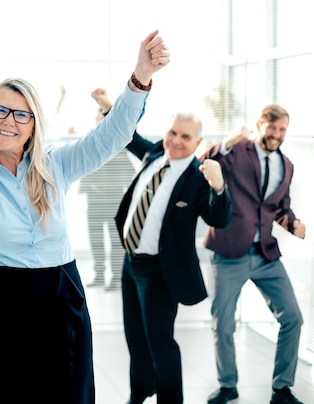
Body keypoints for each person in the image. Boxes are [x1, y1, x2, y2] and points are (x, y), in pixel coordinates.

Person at [0, 17, 170, 404]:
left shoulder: (57, 166)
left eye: (21, 114)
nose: (9, 121)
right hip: (1, 301)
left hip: (60, 295)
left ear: (33, 125)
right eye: (1, 111)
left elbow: (113, 135)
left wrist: (141, 77)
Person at [115, 114, 232, 404]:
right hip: (131, 263)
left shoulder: (197, 177)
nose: (177, 141)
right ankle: (139, 392)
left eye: (186, 137)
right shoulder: (156, 152)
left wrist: (219, 187)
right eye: (173, 132)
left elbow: (219, 217)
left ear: (198, 142)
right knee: (136, 339)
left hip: (159, 272)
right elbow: (131, 138)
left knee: (160, 344)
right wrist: (107, 107)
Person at [201, 105, 306, 404]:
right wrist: (228, 141)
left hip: (265, 254)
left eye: (282, 130)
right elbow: (205, 162)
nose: (276, 135)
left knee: (293, 318)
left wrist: (294, 224)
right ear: (260, 125)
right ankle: (227, 385)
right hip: (229, 251)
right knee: (223, 324)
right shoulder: (238, 150)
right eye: (272, 128)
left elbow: (279, 208)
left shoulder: (286, 165)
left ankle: (282, 388)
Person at [79, 87, 135, 289]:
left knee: (115, 242)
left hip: (113, 201)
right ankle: (100, 275)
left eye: (101, 120)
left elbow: (129, 176)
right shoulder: (90, 145)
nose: (98, 124)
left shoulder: (118, 148)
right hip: (93, 201)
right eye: (96, 121)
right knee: (96, 241)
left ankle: (116, 277)